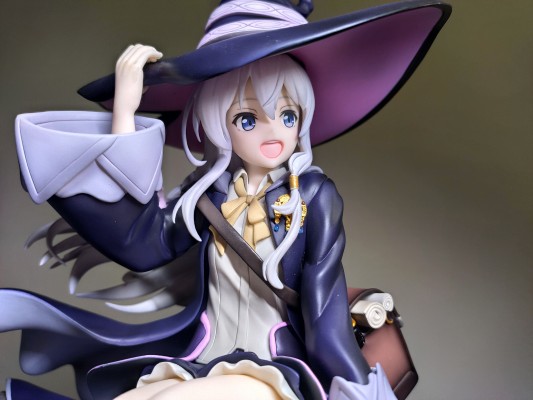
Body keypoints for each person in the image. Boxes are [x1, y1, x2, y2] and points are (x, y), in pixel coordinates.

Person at [2, 1, 452, 399]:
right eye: (248, 119)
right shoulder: (206, 196)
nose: (274, 131)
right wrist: (125, 113)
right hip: (201, 357)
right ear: (219, 123)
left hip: (272, 369)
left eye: (288, 115)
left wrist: (359, 390)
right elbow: (140, 245)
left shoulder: (314, 197)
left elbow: (323, 310)